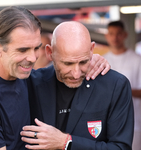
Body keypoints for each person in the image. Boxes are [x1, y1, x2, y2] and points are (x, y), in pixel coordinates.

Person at [0, 6, 110, 150]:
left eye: (36, 47)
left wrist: (89, 59)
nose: (32, 57)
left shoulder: (22, 75)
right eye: (23, 50)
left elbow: (65, 70)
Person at [20, 21, 134, 150]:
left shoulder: (115, 85)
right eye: (67, 64)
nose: (76, 73)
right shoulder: (30, 83)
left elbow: (121, 148)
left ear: (91, 50)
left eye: (83, 62)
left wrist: (66, 142)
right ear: (49, 52)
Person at [103, 20, 141, 150]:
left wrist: (121, 90)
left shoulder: (137, 60)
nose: (115, 37)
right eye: (111, 33)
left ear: (125, 35)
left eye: (118, 33)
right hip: (107, 122)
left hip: (134, 122)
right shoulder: (102, 60)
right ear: (106, 36)